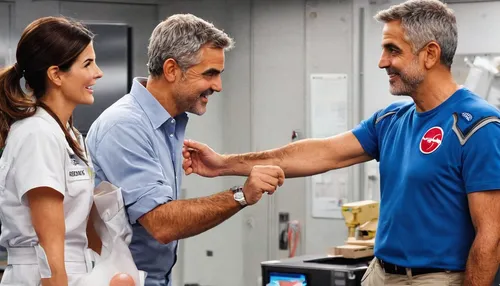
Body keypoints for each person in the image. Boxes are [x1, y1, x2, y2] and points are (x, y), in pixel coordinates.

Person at [182, 0, 500, 285]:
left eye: (393, 50)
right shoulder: (391, 119)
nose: (382, 62)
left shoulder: (479, 126)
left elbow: (491, 236)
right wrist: (223, 164)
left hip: (438, 279)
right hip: (381, 273)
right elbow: (320, 153)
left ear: (430, 53)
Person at [85, 13, 285, 286]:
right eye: (209, 74)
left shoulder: (169, 125)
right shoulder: (124, 126)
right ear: (171, 70)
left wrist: (225, 165)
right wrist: (241, 195)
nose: (218, 86)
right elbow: (163, 223)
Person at [0, 17, 104, 285]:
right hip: (43, 274)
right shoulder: (37, 134)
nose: (98, 73)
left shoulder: (70, 135)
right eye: (88, 64)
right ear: (56, 74)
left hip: (75, 269)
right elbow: (50, 244)